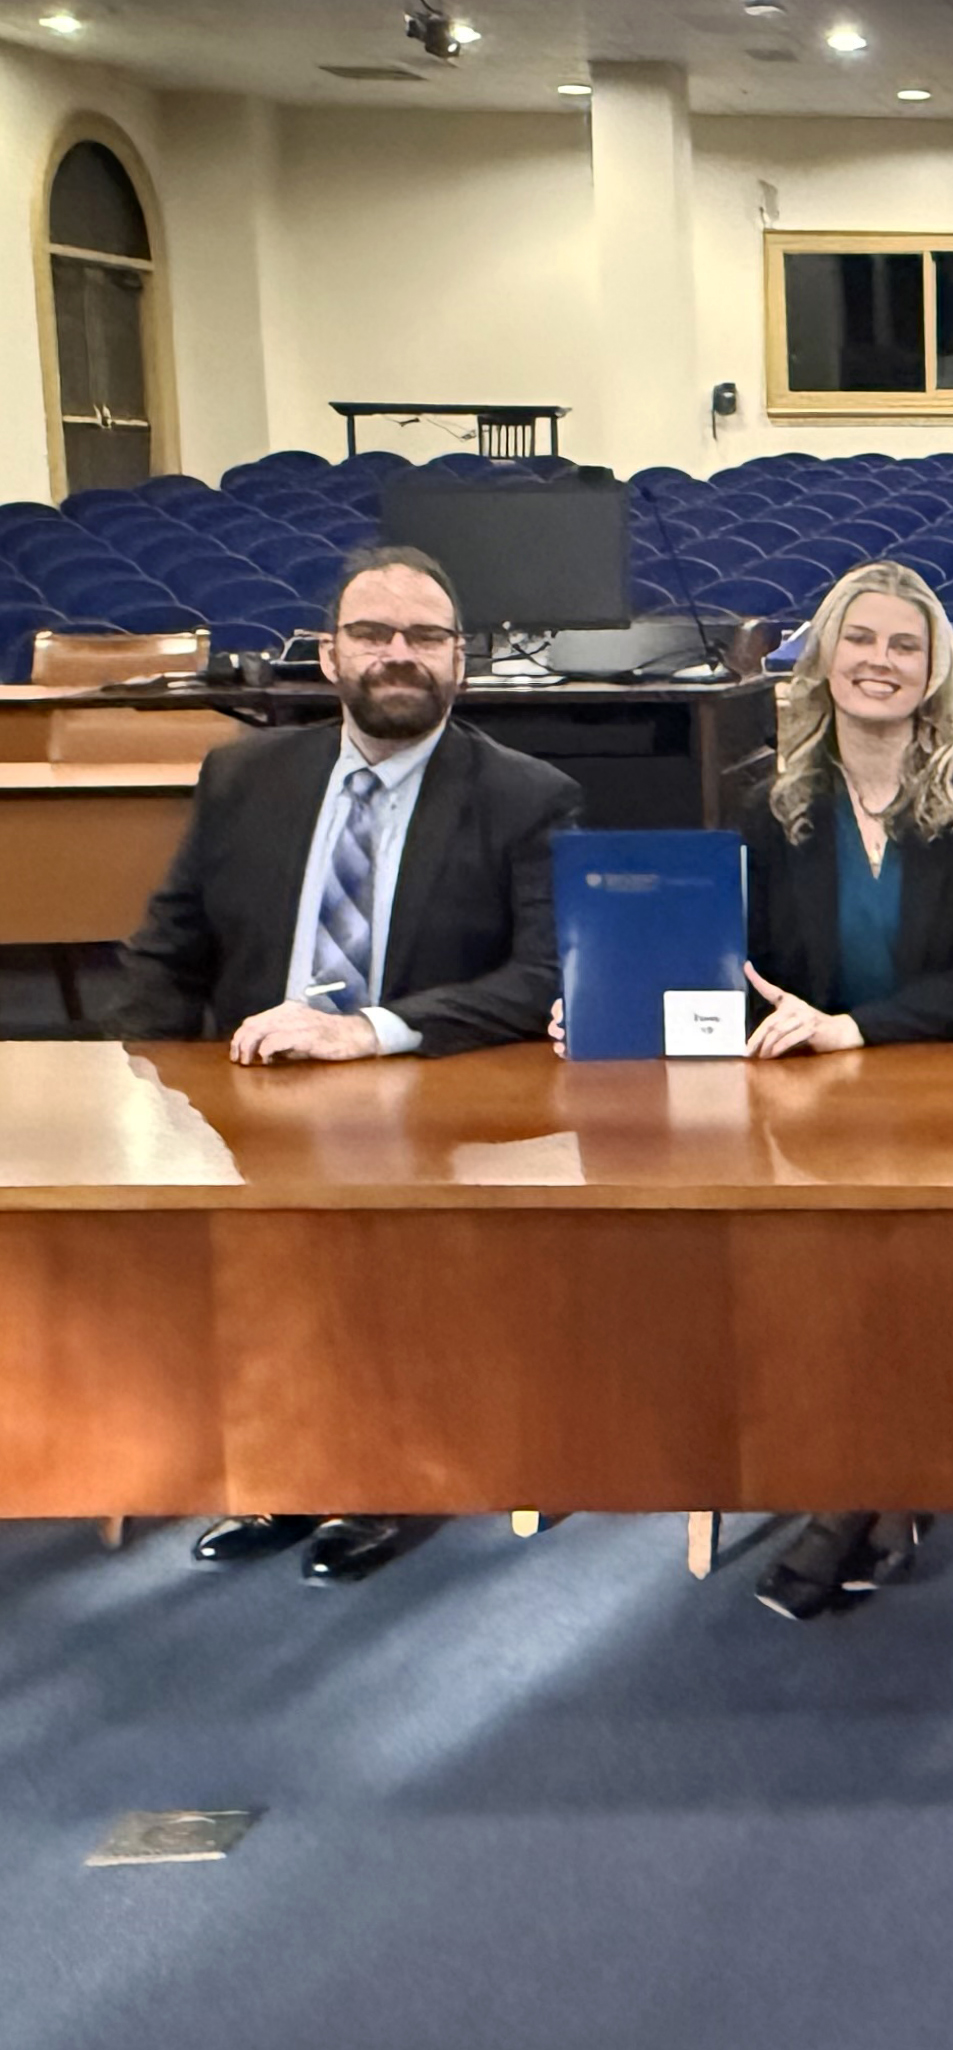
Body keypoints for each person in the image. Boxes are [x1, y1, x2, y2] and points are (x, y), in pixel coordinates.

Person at [115, 542, 580, 1585]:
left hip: (429, 1092)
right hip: (255, 1081)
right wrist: (137, 1082)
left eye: (425, 636)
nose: (399, 655)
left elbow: (543, 971)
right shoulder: (242, 777)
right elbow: (168, 943)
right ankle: (285, 1468)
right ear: (330, 655)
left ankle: (375, 1477)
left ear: (461, 660)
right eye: (374, 634)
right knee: (250, 1252)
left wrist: (372, 1031)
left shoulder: (527, 796)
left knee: (375, 1241)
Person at [732, 560, 953, 1620]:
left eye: (903, 646)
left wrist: (854, 1028)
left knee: (898, 1253)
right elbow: (735, 964)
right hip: (820, 1099)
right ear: (822, 658)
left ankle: (854, 1497)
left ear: (935, 671)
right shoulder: (766, 800)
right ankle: (881, 1482)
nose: (879, 662)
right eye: (859, 640)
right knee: (804, 1260)